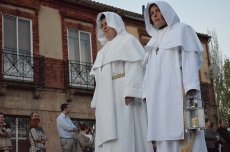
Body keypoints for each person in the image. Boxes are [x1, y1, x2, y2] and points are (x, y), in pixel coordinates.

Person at [143, 1, 207, 152]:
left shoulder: (182, 30)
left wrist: (190, 87)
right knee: (162, 135)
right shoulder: (153, 41)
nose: (155, 15)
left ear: (167, 12)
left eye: (158, 11)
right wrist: (146, 93)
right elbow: (147, 70)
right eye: (152, 14)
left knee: (185, 132)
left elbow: (189, 58)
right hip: (157, 99)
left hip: (177, 93)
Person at [90, 12, 153, 152]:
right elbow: (98, 80)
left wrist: (131, 91)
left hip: (122, 98)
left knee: (124, 134)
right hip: (105, 103)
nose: (105, 28)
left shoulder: (128, 41)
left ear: (116, 24)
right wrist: (95, 102)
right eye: (102, 25)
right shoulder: (102, 52)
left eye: (107, 24)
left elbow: (135, 66)